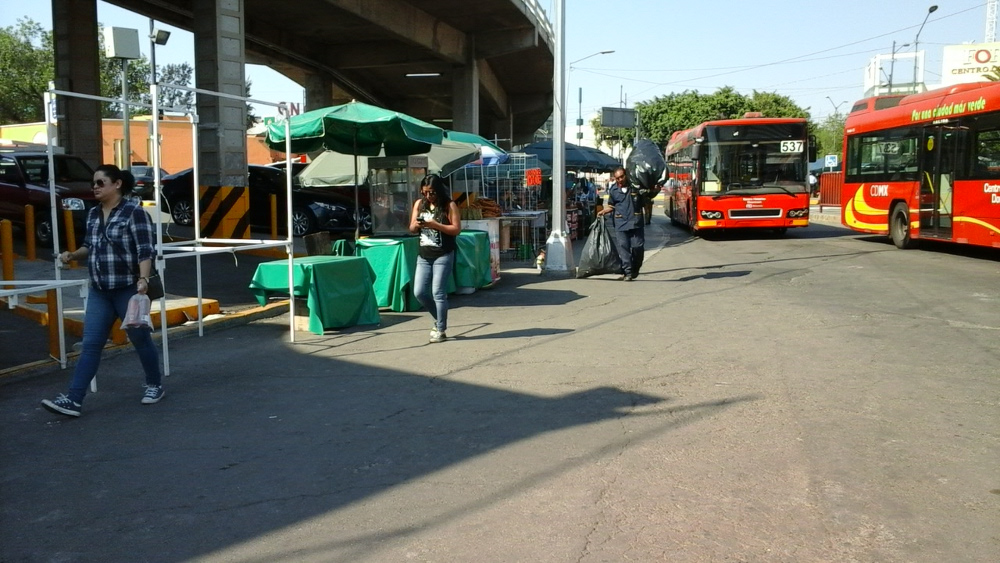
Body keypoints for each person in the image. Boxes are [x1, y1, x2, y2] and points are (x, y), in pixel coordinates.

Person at [41, 165, 162, 417]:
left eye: (100, 182)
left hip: (128, 288)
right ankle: (74, 399)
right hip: (99, 289)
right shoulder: (94, 214)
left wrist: (143, 279)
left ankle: (154, 384)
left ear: (117, 184)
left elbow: (145, 250)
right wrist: (73, 254)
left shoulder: (134, 213)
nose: (94, 187)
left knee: (139, 339)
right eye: (93, 183)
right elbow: (90, 245)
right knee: (91, 344)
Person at [409, 174, 462, 343]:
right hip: (424, 255)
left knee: (438, 292)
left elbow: (456, 229)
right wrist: (417, 225)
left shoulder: (449, 205)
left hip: (443, 253)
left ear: (439, 191)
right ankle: (438, 320)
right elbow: (411, 228)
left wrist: (435, 225)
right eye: (424, 192)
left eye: (432, 192)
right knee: (419, 292)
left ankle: (441, 329)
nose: (428, 196)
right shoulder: (420, 204)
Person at [598, 166, 644, 281]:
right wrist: (603, 211)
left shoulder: (635, 187)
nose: (620, 180)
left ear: (626, 175)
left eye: (622, 177)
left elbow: (646, 197)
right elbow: (611, 205)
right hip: (620, 223)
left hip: (635, 222)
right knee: (624, 248)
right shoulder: (613, 190)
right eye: (617, 178)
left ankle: (635, 268)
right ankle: (627, 272)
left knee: (638, 247)